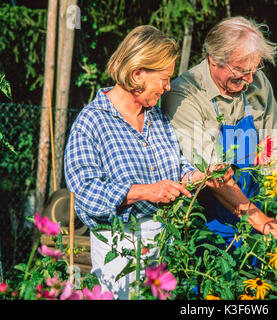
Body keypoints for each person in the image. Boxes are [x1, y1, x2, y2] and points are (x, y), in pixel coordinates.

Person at [64, 25, 231, 299]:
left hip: (163, 240)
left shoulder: (156, 117)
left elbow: (175, 168)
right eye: (164, 78)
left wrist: (201, 176)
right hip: (119, 248)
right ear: (137, 73)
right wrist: (144, 191)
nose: (168, 87)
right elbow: (85, 192)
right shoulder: (91, 122)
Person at [162, 16, 277, 249]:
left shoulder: (257, 83)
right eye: (240, 70)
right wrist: (266, 223)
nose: (250, 79)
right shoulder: (185, 94)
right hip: (204, 227)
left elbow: (276, 149)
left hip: (254, 217)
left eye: (255, 68)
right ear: (213, 58)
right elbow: (213, 175)